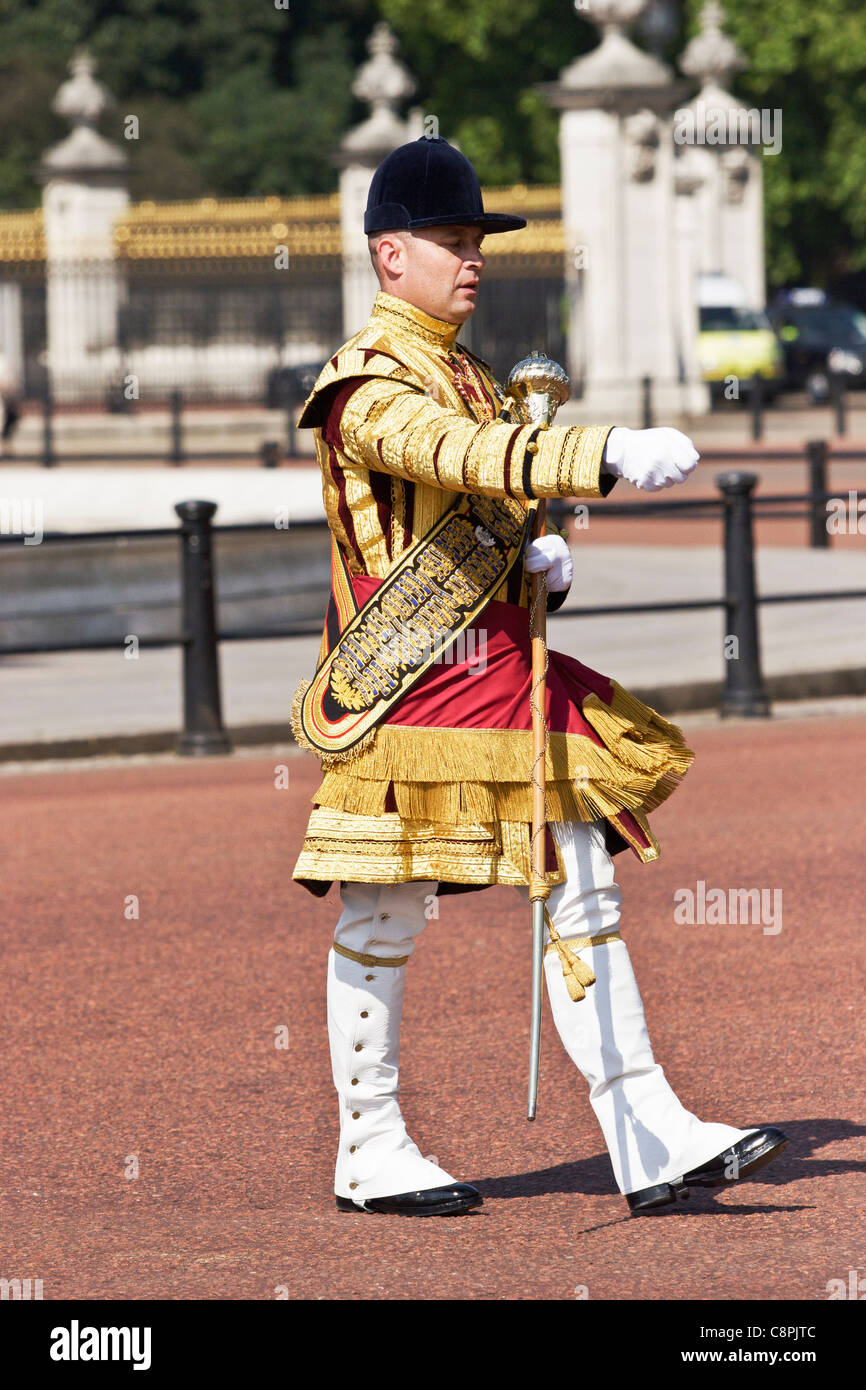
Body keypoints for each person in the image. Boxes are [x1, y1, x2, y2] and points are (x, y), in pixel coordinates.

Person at [290, 135, 787, 1217]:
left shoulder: (466, 370)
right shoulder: (363, 382)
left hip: (491, 670)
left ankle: (644, 1124)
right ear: (389, 257)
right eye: (451, 240)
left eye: (476, 242)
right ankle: (370, 1144)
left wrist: (533, 559)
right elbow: (454, 457)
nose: (473, 260)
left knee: (579, 879)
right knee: (384, 915)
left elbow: (480, 498)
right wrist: (597, 455)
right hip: (406, 686)